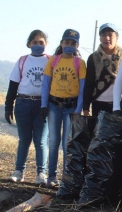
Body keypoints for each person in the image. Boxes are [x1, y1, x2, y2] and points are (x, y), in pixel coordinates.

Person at [41, 29, 86, 187]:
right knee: (53, 141)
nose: (69, 45)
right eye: (66, 42)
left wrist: (78, 109)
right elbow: (46, 84)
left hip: (71, 107)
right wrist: (43, 104)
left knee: (67, 144)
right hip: (54, 105)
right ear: (61, 43)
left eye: (73, 43)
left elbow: (82, 88)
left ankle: (66, 179)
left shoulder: (79, 63)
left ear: (77, 45)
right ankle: (51, 177)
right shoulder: (54, 60)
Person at [5, 30, 50, 184]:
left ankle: (41, 173)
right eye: (35, 42)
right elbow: (13, 85)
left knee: (41, 141)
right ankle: (19, 171)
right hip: (23, 103)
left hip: (42, 105)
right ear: (29, 44)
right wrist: (8, 106)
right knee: (24, 139)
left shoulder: (50, 61)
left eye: (41, 42)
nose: (38, 45)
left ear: (46, 44)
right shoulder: (23, 61)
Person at [83, 23, 122, 117]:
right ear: (100, 38)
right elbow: (89, 83)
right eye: (103, 35)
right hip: (99, 102)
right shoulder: (93, 57)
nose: (107, 38)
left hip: (120, 103)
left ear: (117, 37)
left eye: (110, 35)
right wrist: (86, 108)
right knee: (98, 131)